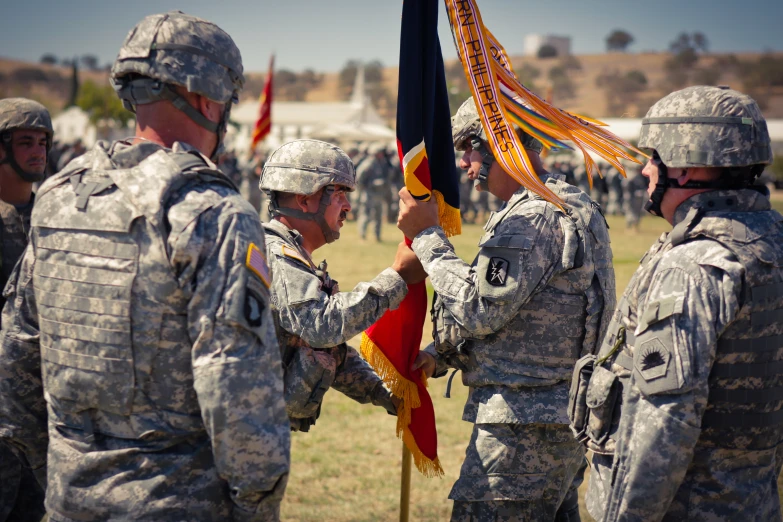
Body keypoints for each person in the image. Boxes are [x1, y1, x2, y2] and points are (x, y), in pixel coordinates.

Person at [0, 11, 290, 521]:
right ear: (208, 98)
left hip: (67, 500)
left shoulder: (59, 195)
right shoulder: (212, 213)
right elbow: (237, 392)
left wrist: (59, 475)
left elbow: (16, 356)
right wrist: (257, 508)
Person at [397, 97, 616, 522]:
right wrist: (441, 354)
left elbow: (481, 310)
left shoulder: (530, 218)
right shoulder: (565, 204)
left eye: (468, 148)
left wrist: (427, 237)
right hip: (552, 416)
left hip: (522, 425)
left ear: (498, 143)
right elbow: (530, 313)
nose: (462, 162)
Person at [571, 85, 782, 521]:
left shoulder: (694, 266)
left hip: (685, 505)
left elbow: (664, 422)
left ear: (687, 167)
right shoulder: (771, 241)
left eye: (655, 158)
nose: (646, 170)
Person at [259, 138, 426, 432]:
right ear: (305, 198)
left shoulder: (294, 257)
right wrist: (396, 278)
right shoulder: (275, 255)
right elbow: (321, 326)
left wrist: (384, 394)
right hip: (244, 427)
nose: (348, 206)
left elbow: (327, 351)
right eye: (338, 194)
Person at [0, 97, 52, 522]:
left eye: (42, 142)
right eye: (25, 142)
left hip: (37, 407)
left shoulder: (52, 219)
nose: (38, 151)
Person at [356, 143, 390, 241]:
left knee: (378, 216)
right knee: (365, 215)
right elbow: (359, 179)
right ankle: (362, 235)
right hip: (369, 194)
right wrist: (370, 186)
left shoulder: (383, 163)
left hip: (379, 194)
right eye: (379, 153)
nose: (381, 155)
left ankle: (377, 236)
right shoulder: (367, 164)